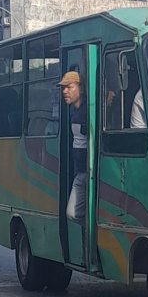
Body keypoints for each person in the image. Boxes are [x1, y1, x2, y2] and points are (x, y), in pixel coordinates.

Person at [58, 71, 87, 222]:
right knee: (72, 213)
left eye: (69, 87)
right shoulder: (73, 112)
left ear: (80, 89)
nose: (64, 91)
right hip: (79, 172)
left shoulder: (88, 111)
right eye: (63, 88)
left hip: (89, 174)